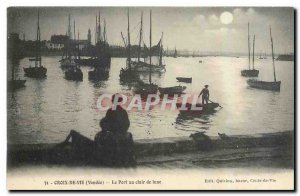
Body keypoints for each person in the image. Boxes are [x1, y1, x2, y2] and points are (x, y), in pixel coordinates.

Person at [60, 94, 135, 166]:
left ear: (113, 101)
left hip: (114, 136)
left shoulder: (111, 111)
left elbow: (107, 123)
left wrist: (109, 131)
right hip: (119, 135)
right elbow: (126, 125)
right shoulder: (123, 112)